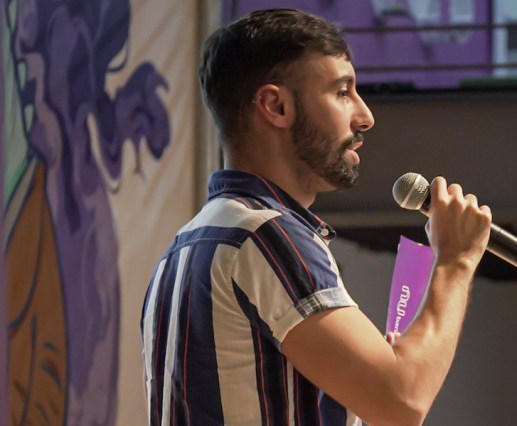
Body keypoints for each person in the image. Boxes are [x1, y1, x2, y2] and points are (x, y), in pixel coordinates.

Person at [140, 8, 491, 426]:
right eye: (343, 93)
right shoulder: (269, 236)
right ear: (276, 105)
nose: (365, 116)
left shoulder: (186, 245)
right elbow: (404, 401)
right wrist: (455, 262)